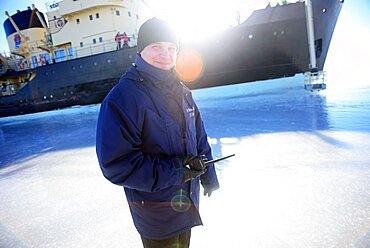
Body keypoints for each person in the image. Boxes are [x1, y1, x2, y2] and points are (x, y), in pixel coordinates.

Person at [96, 18, 219, 248]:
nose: (166, 54)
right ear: (141, 50)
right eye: (157, 47)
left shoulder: (183, 92)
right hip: (156, 216)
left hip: (187, 204)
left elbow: (199, 138)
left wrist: (209, 177)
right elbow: (118, 164)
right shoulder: (122, 98)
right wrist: (178, 171)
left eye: (171, 48)